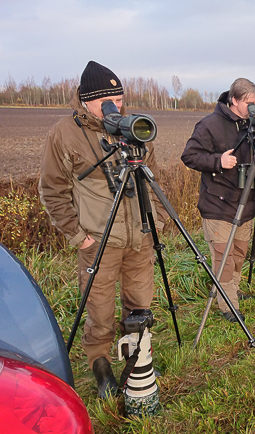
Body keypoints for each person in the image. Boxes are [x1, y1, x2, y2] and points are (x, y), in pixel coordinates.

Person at [39, 61, 166, 398]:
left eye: (120, 99)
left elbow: (152, 181)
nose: (115, 107)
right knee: (99, 310)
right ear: (85, 100)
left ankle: (137, 361)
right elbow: (52, 190)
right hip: (98, 240)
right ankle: (101, 365)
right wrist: (78, 235)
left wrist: (157, 224)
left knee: (139, 304)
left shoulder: (132, 129)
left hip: (139, 237)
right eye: (106, 100)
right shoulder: (65, 134)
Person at [181, 78, 255, 322]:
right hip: (219, 205)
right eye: (249, 103)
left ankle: (234, 289)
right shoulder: (210, 125)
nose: (254, 108)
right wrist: (217, 162)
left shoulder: (254, 126)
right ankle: (228, 306)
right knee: (223, 258)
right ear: (234, 100)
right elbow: (189, 155)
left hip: (247, 204)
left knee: (239, 254)